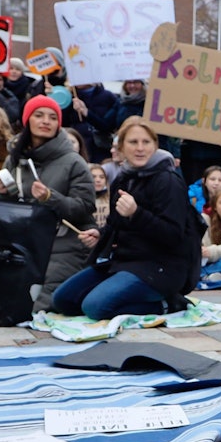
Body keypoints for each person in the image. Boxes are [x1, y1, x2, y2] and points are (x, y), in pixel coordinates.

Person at [58, 118, 196, 318]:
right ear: (121, 147)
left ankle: (169, 304)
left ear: (155, 146)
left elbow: (174, 235)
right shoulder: (123, 178)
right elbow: (115, 224)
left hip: (160, 267)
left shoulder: (168, 181)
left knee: (94, 307)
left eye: (146, 142)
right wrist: (100, 234)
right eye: (133, 142)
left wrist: (136, 214)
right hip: (124, 262)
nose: (140, 148)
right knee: (64, 300)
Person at [0, 95, 98, 311]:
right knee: (1, 295)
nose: (46, 121)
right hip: (26, 241)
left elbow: (84, 209)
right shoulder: (13, 158)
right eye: (39, 115)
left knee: (37, 304)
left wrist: (49, 198)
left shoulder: (74, 162)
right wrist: (2, 193)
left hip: (65, 243)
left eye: (53, 117)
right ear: (27, 120)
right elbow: (7, 209)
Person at [89, 163, 111, 228]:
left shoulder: (112, 199)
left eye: (102, 177)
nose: (98, 180)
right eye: (93, 177)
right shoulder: (82, 200)